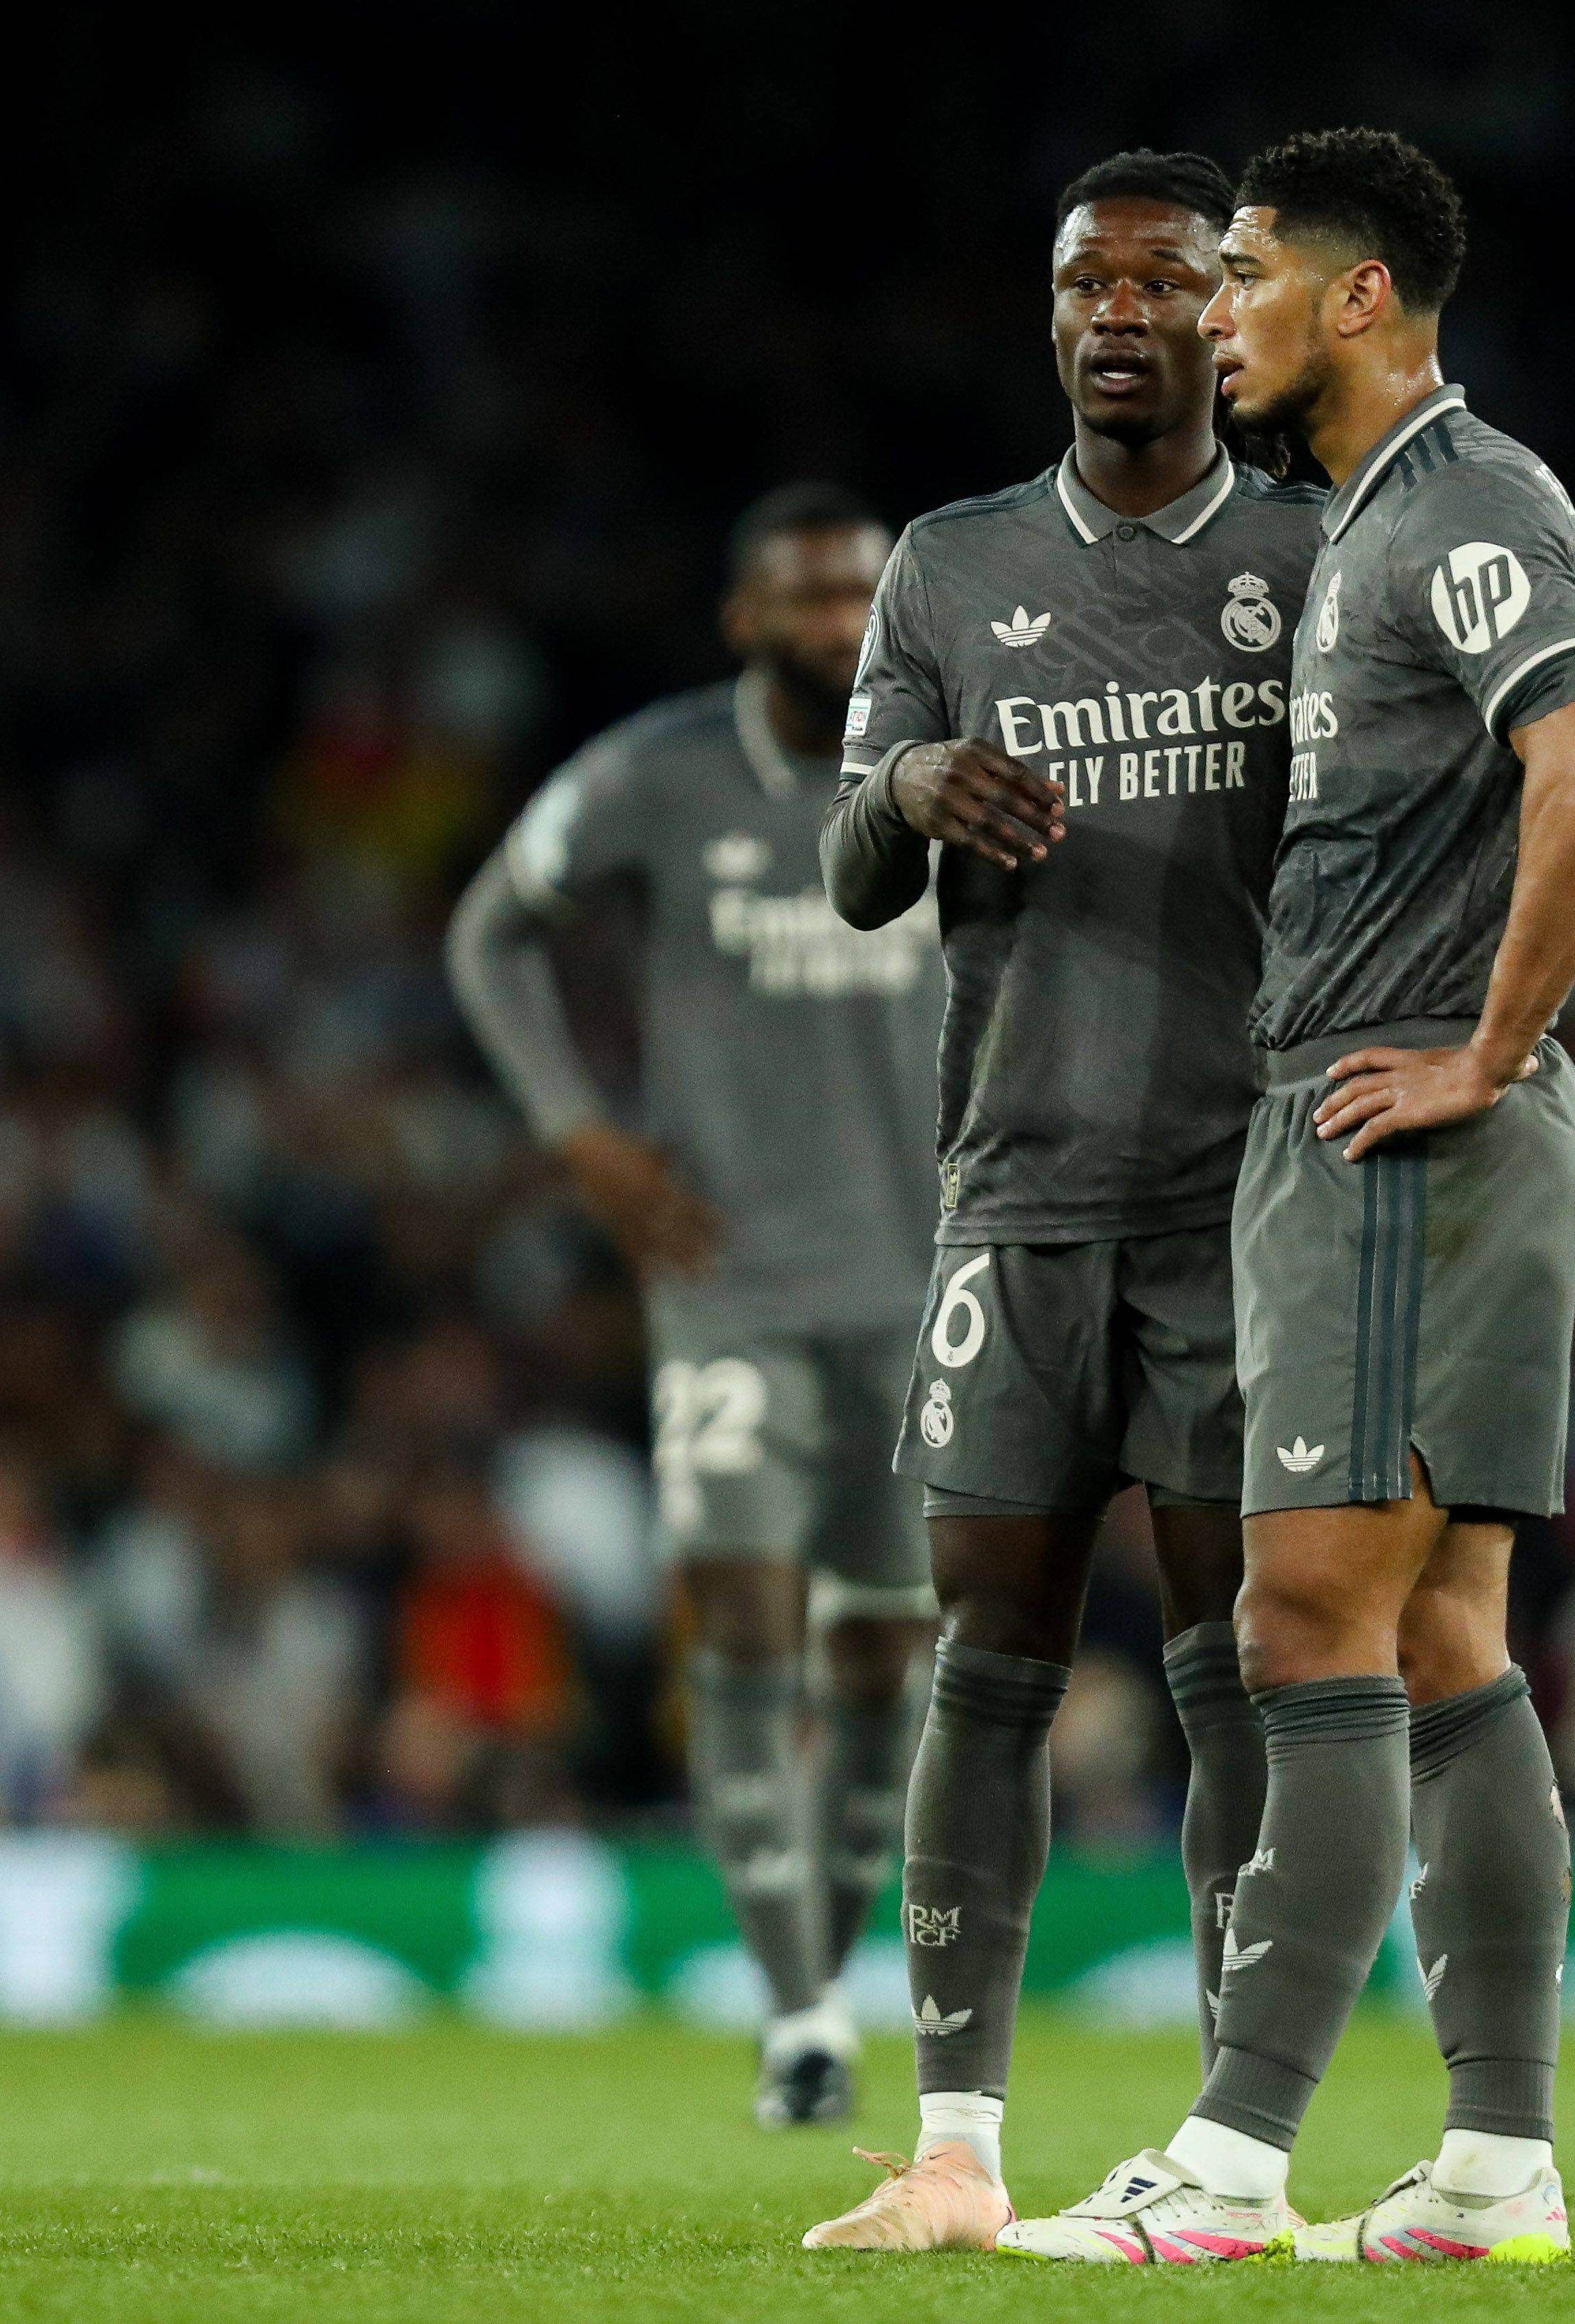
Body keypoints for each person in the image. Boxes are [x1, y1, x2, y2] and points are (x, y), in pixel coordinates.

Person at [1005, 127, 1575, 2267]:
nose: (1210, 312)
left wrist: (1480, 1048)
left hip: (1400, 1135)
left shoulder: (1466, 505)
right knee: (1445, 1637)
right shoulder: (1370, 521)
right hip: (1380, 1132)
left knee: (1309, 1624)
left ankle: (1226, 2165)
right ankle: (1491, 2166)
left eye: (1246, 275)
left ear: (1357, 299)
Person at [797, 149, 1321, 2253]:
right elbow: (847, 861)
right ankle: (951, 2150)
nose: (1116, 312)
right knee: (987, 1655)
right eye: (1080, 284)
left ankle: (1221, 2155)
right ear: (1047, 320)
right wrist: (912, 785)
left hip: (1232, 1198)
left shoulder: (1315, 551)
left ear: (1226, 317)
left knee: (1231, 1664)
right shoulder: (945, 565)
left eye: (1160, 282)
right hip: (1012, 1200)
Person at [446, 486, 941, 2127]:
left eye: (857, 598)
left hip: (926, 1288)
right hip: (730, 1290)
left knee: (882, 1666)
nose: (834, 625)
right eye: (802, 598)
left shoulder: (953, 771)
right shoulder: (654, 774)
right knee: (737, 1614)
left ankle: (826, 1963)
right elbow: (490, 932)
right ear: (744, 618)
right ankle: (798, 2011)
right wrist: (577, 1131)